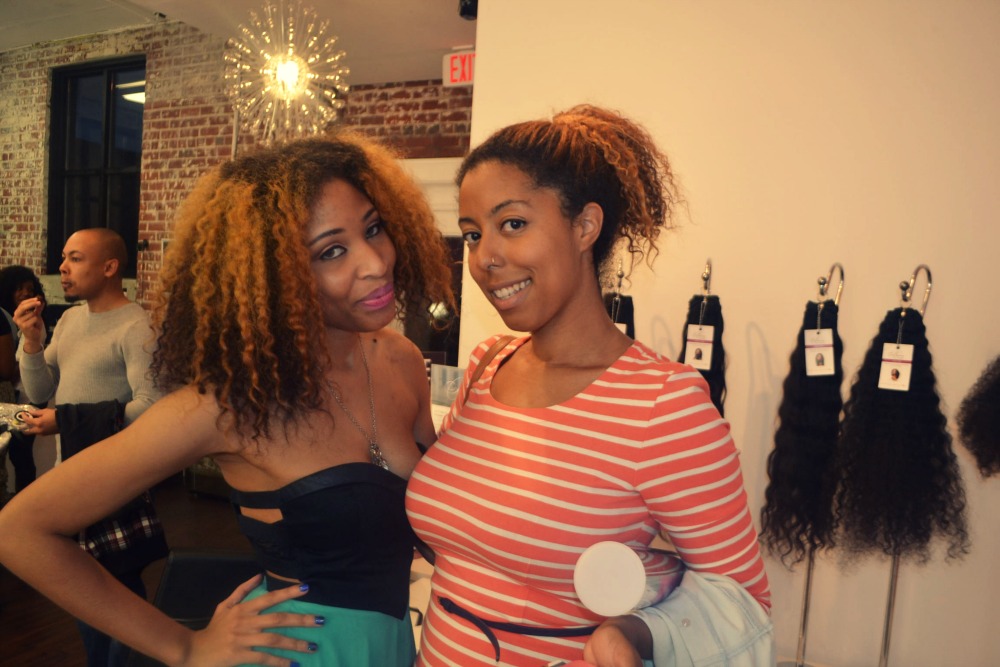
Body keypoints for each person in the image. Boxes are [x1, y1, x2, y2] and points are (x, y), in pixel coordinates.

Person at [0, 131, 456, 667]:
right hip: (300, 652)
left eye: (374, 229)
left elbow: (435, 510)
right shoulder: (234, 404)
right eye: (331, 251)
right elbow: (20, 530)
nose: (376, 262)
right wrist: (184, 646)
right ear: (275, 275)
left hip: (395, 643)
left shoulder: (401, 359)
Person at [405, 105, 773, 667]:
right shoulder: (485, 366)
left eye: (513, 224)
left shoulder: (664, 404)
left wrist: (635, 632)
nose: (485, 258)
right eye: (473, 234)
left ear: (584, 226)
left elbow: (743, 603)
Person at [10, 230, 166, 666]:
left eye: (75, 258)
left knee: (116, 591)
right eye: (63, 257)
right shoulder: (72, 320)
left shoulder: (138, 327)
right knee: (85, 592)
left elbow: (152, 407)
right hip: (71, 471)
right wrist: (32, 342)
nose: (62, 267)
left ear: (110, 267)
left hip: (114, 478)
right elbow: (39, 391)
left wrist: (65, 419)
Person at [0, 264, 47, 493]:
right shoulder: (11, 317)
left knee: (21, 453)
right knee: (18, 453)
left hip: (29, 394)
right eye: (19, 288)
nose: (25, 293)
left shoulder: (32, 320)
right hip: (18, 391)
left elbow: (16, 365)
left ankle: (25, 497)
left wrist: (16, 366)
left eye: (29, 288)